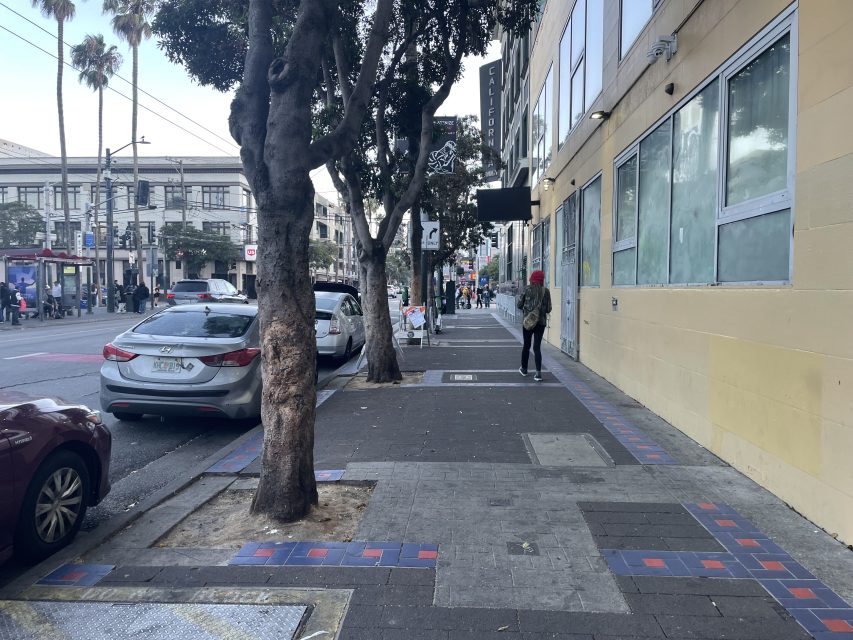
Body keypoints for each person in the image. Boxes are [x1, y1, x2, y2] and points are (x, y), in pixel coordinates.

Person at [517, 269, 551, 381]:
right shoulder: (546, 291)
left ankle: (524, 369)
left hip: (528, 322)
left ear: (532, 279)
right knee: (537, 347)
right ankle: (538, 373)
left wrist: (528, 309)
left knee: (526, 345)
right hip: (540, 322)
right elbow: (549, 309)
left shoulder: (526, 289)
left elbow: (519, 305)